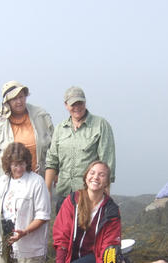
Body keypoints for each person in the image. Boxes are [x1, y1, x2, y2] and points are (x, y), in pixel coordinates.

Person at [43, 160, 121, 263]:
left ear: (106, 183)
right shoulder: (72, 201)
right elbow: (62, 239)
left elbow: (107, 250)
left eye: (101, 175)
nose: (95, 177)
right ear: (86, 177)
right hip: (71, 261)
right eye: (92, 173)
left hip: (95, 259)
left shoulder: (111, 210)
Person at [45, 86, 116, 215]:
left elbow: (107, 164)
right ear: (66, 105)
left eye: (80, 103)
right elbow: (52, 161)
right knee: (64, 234)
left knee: (87, 235)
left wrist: (104, 197)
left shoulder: (100, 125)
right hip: (63, 195)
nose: (77, 107)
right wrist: (47, 190)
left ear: (85, 102)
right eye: (73, 104)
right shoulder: (60, 129)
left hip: (89, 195)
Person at [0, 81, 54, 203]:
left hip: (37, 179)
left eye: (21, 97)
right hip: (8, 180)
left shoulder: (40, 115)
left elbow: (53, 148)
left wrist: (55, 175)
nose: (19, 101)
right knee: (8, 215)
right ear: (7, 101)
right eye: (14, 98)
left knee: (38, 215)